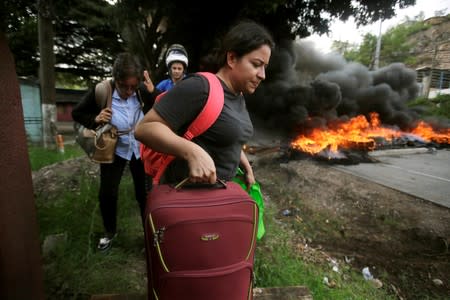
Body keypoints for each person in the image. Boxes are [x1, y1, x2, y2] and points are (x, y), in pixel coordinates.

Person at [135, 20, 274, 188]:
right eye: (256, 64)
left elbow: (225, 136)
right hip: (188, 203)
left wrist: (243, 163)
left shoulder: (238, 95)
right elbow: (144, 128)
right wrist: (191, 151)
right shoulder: (200, 87)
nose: (263, 75)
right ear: (231, 58)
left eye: (265, 67)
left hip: (218, 200)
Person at [72, 52, 156, 251]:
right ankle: (109, 233)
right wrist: (96, 118)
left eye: (133, 87)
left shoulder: (143, 90)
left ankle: (150, 236)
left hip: (139, 147)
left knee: (145, 194)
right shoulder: (102, 90)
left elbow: (159, 109)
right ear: (115, 79)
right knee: (107, 193)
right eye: (123, 86)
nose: (128, 91)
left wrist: (152, 94)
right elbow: (78, 113)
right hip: (114, 149)